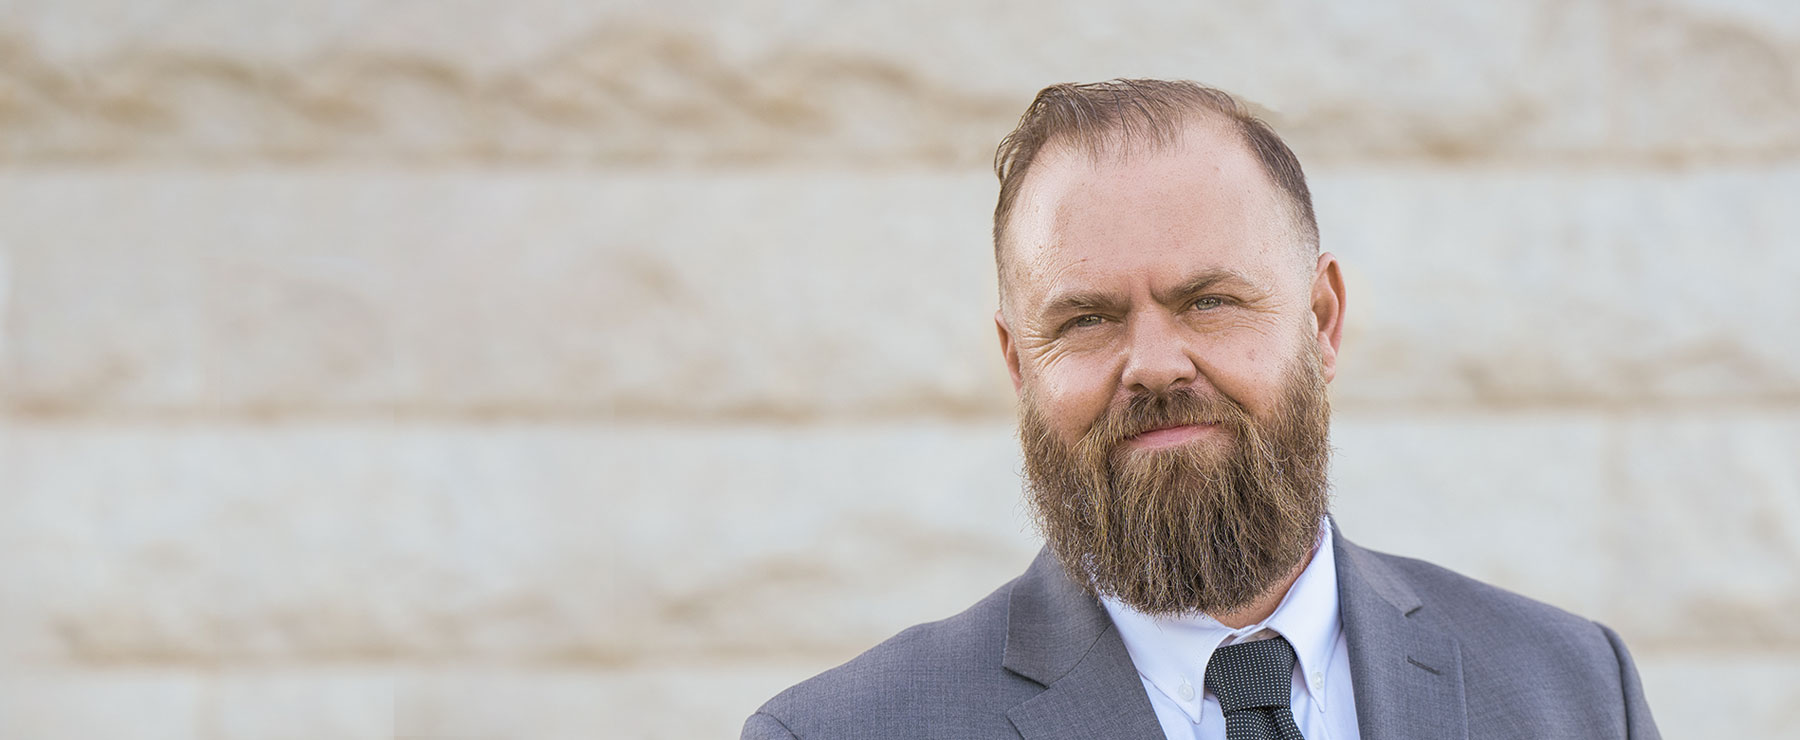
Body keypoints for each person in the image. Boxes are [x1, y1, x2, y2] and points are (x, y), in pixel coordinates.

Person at [742, 79, 1660, 740]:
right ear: (1018, 366)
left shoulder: (1575, 692)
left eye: (1208, 302)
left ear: (1322, 321)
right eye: (1088, 318)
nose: (1153, 364)